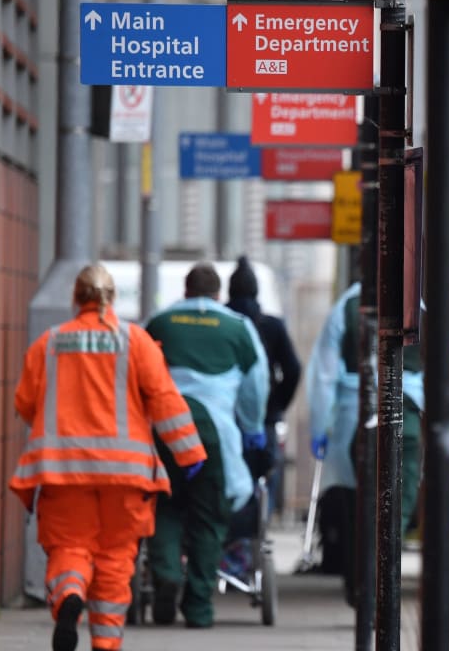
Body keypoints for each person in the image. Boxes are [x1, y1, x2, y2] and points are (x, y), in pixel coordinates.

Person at [9, 264, 207, 651]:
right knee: (116, 559)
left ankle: (69, 596)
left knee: (69, 547)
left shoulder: (49, 343)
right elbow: (165, 399)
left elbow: (25, 403)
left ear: (75, 299)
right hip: (126, 478)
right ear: (112, 299)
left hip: (62, 474)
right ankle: (105, 643)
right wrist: (189, 455)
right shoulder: (136, 341)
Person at [305, 280, 449, 595]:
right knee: (396, 503)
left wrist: (319, 427)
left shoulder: (347, 307)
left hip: (356, 415)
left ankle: (362, 583)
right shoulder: (420, 310)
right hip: (409, 413)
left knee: (358, 502)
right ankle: (377, 586)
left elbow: (323, 375)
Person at [144, 262, 269, 629]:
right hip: (214, 434)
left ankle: (166, 573)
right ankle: (198, 607)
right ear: (218, 295)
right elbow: (255, 384)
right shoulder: (238, 328)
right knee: (209, 518)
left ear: (185, 291)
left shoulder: (159, 322)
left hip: (164, 428)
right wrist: (252, 425)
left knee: (163, 506)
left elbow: (139, 372)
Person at [225, 256, 301, 513]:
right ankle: (256, 532)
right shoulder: (272, 326)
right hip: (264, 419)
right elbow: (293, 369)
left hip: (225, 413)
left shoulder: (222, 322)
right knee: (263, 475)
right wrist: (277, 403)